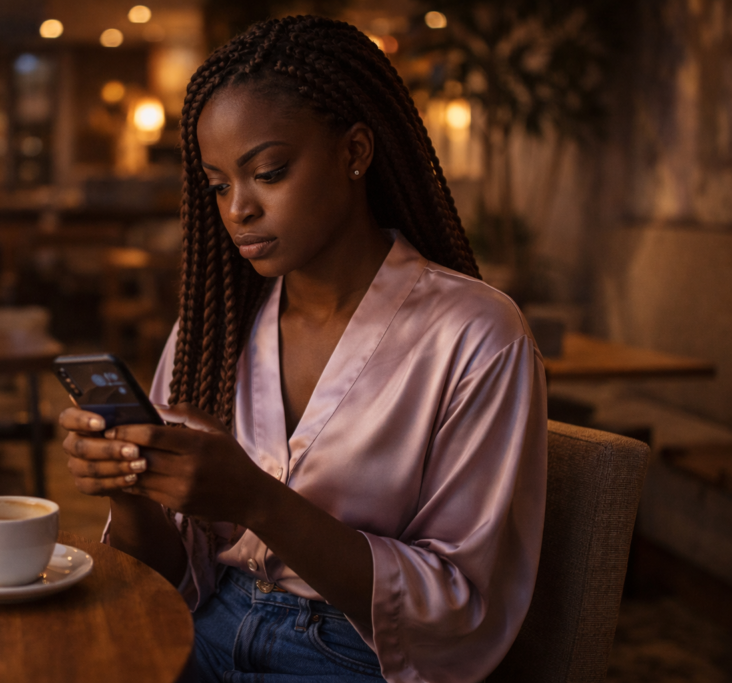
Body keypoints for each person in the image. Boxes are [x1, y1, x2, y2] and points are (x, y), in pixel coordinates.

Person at [60, 15, 547, 683]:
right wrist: (131, 489)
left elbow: (458, 612)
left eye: (269, 171)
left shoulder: (474, 334)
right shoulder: (212, 328)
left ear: (354, 152)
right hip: (202, 633)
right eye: (219, 184)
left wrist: (258, 501)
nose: (238, 209)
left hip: (357, 660)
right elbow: (175, 580)